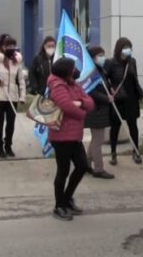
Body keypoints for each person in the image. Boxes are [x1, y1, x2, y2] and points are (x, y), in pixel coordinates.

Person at [47, 57, 94, 221]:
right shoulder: (57, 85)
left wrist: (80, 103)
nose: (75, 71)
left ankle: (67, 199)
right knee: (63, 171)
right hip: (61, 135)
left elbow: (90, 101)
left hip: (74, 135)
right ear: (66, 71)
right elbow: (66, 106)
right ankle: (59, 206)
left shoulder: (73, 83)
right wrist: (82, 113)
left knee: (82, 166)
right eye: (73, 68)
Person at [107, 37, 143, 166]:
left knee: (133, 125)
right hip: (118, 99)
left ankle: (136, 151)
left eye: (129, 47)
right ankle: (113, 153)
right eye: (125, 47)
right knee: (115, 127)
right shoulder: (111, 63)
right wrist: (109, 89)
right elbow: (105, 79)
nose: (128, 50)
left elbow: (135, 78)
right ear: (119, 49)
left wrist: (140, 92)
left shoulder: (132, 61)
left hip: (132, 98)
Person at [0, 34, 26, 159]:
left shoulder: (17, 61)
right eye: (8, 46)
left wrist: (22, 96)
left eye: (13, 46)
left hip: (13, 96)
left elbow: (20, 79)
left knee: (11, 123)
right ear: (2, 46)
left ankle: (8, 145)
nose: (11, 48)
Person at [83, 46, 115, 179]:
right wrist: (106, 98)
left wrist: (110, 89)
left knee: (96, 139)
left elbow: (103, 85)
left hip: (100, 109)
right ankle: (98, 169)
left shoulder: (100, 70)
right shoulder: (91, 72)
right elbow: (90, 91)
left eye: (103, 54)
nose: (102, 57)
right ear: (93, 57)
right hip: (95, 109)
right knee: (98, 140)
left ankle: (86, 164)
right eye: (99, 55)